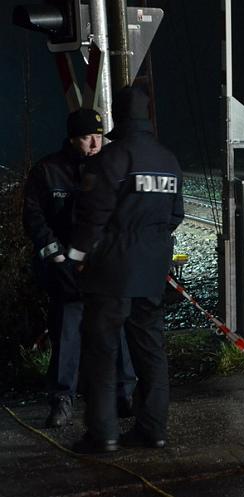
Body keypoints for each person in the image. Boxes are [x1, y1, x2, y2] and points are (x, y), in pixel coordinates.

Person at [67, 87, 184, 453]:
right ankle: (154, 429)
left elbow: (93, 216)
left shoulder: (112, 159)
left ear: (118, 115)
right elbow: (176, 215)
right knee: (151, 350)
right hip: (153, 270)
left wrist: (75, 258)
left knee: (102, 351)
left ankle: (104, 434)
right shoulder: (168, 160)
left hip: (113, 271)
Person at [23, 108, 137, 428]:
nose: (95, 144)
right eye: (88, 137)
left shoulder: (110, 169)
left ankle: (124, 393)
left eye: (99, 137)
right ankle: (62, 399)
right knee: (67, 328)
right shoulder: (48, 171)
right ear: (73, 138)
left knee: (115, 326)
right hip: (65, 269)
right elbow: (34, 217)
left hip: (102, 266)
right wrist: (56, 256)